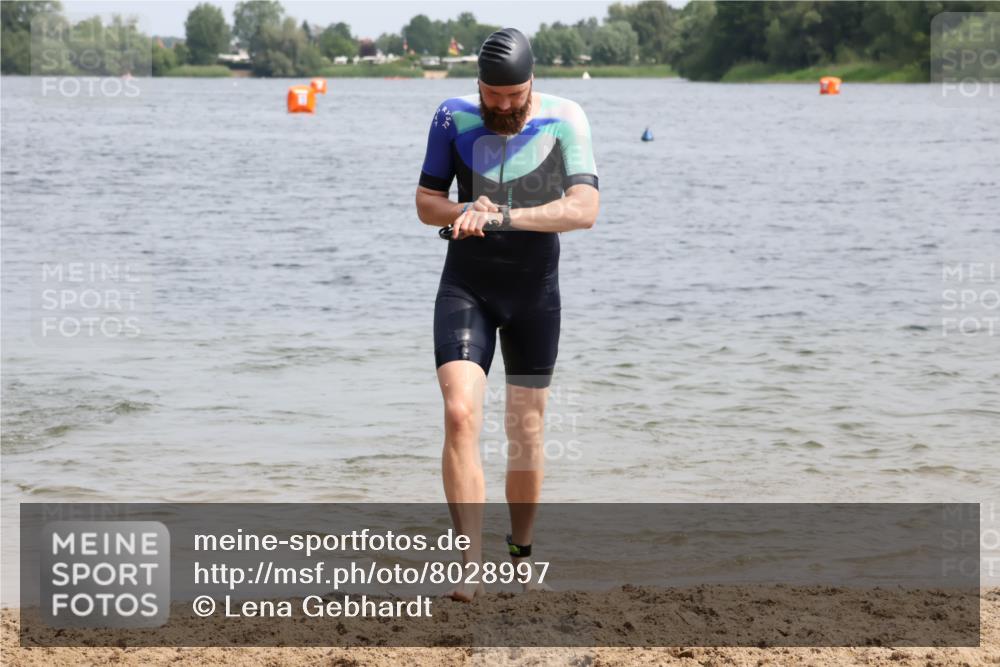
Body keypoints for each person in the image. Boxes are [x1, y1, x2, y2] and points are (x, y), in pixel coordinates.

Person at [415, 27, 599, 601]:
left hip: (534, 294)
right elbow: (426, 204)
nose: (503, 107)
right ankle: (468, 564)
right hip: (466, 286)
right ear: (478, 86)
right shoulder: (451, 118)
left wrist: (502, 218)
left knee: (525, 430)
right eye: (493, 97)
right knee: (460, 412)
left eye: (514, 96)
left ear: (531, 84)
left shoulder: (566, 118)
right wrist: (465, 207)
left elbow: (585, 209)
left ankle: (520, 550)